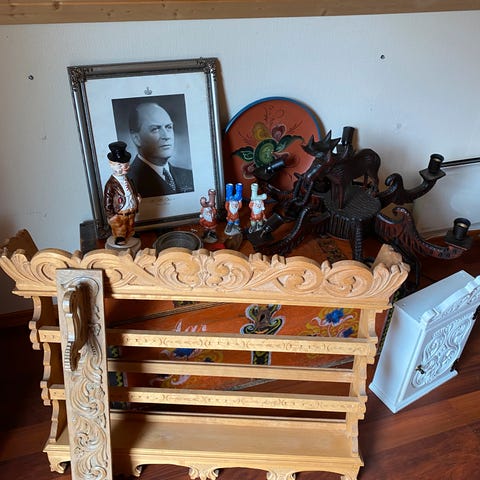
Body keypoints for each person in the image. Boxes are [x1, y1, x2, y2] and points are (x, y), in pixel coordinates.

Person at [127, 102, 194, 197]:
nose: (166, 136)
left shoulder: (190, 176)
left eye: (169, 127)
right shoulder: (128, 182)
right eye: (155, 129)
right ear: (136, 138)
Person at [103, 141, 141, 246]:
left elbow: (132, 190)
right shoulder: (111, 184)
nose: (124, 167)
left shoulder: (128, 179)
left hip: (131, 210)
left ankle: (130, 232)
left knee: (130, 223)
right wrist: (111, 215)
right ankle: (120, 237)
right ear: (112, 165)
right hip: (120, 212)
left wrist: (137, 197)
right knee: (120, 227)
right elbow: (107, 201)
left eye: (126, 165)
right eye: (119, 165)